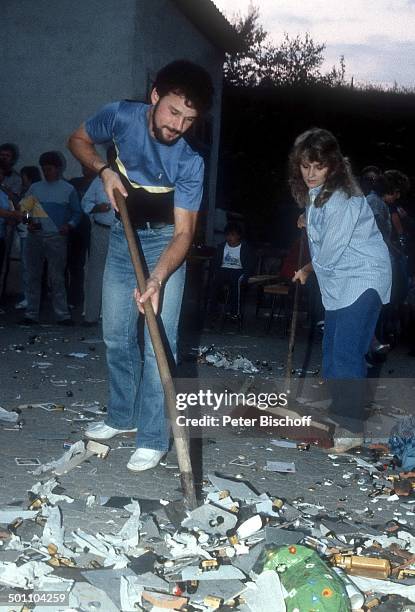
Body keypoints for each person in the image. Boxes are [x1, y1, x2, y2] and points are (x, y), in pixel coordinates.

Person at [68, 60, 214, 472]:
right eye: (173, 112)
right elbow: (77, 139)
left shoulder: (191, 160)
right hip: (122, 235)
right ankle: (121, 417)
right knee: (116, 334)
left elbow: (185, 233)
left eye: (189, 119)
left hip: (165, 243)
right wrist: (103, 170)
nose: (178, 126)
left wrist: (156, 276)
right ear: (154, 96)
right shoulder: (119, 116)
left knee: (157, 343)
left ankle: (153, 437)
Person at [289, 128, 392, 452]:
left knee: (346, 354)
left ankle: (351, 430)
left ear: (332, 166)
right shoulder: (315, 194)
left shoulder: (344, 198)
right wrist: (307, 219)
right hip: (339, 281)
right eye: (305, 166)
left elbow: (330, 251)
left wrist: (306, 269)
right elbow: (321, 227)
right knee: (333, 357)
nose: (310, 174)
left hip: (362, 278)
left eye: (317, 167)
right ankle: (342, 416)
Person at [18, 151, 81, 325]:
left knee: (57, 276)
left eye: (50, 169)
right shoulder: (35, 188)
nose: (47, 173)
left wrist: (68, 226)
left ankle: (62, 315)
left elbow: (77, 213)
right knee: (32, 275)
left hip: (56, 238)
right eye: (44, 170)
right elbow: (25, 211)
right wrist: (29, 222)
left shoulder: (68, 189)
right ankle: (31, 314)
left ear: (59, 169)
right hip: (35, 237)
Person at [81, 146, 116, 326]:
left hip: (122, 233)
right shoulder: (99, 180)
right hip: (101, 230)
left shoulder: (132, 179)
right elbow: (85, 203)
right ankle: (91, 314)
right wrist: (97, 208)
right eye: (112, 156)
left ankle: (109, 317)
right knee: (95, 272)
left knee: (117, 275)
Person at [209, 222, 255, 321]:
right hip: (223, 270)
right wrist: (215, 271)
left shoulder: (245, 248)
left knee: (236, 283)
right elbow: (215, 263)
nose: (230, 237)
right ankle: (212, 310)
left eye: (232, 235)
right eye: (228, 235)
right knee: (214, 282)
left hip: (238, 270)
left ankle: (235, 313)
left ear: (238, 236)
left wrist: (246, 275)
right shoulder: (221, 247)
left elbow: (249, 264)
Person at [14, 166, 42, 310]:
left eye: (23, 177)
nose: (21, 180)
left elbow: (26, 213)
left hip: (28, 234)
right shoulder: (30, 191)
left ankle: (28, 298)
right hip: (25, 232)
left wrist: (26, 221)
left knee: (28, 268)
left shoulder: (33, 192)